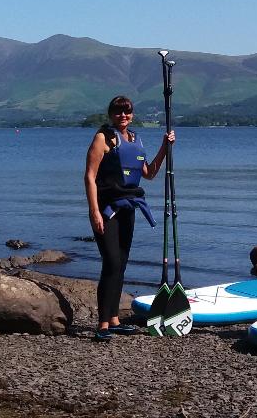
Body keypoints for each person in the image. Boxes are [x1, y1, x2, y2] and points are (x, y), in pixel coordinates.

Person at [83, 95, 175, 341]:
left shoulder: (136, 139)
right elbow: (90, 177)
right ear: (110, 114)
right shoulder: (103, 138)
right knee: (111, 262)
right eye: (118, 112)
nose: (123, 116)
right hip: (107, 209)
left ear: (132, 114)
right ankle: (102, 323)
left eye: (127, 112)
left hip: (129, 208)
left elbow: (150, 173)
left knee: (121, 263)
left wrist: (165, 148)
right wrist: (94, 212)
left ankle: (114, 319)